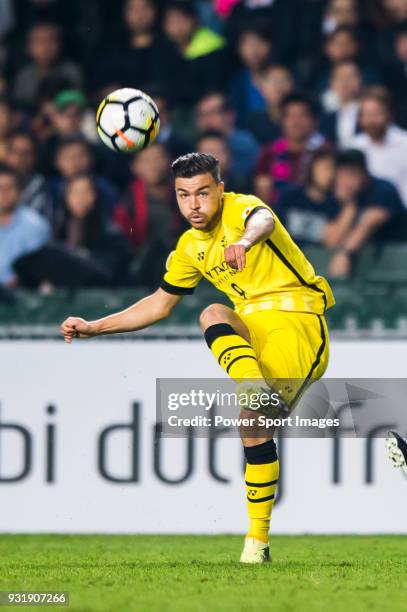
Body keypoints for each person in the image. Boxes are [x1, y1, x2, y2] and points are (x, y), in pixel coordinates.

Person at [60, 152, 335, 564]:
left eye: (203, 193)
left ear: (220, 191)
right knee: (210, 315)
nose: (194, 204)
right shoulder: (190, 248)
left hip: (297, 321)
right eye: (184, 195)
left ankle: (255, 540)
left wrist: (243, 241)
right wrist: (94, 327)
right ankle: (257, 546)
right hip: (253, 324)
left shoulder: (242, 209)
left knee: (253, 423)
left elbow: (265, 221)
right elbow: (157, 306)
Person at [328, 149, 407, 278]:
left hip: (398, 264)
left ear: (364, 174)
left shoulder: (383, 189)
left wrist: (345, 253)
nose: (346, 181)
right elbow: (332, 241)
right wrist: (349, 205)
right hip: (363, 271)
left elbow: (369, 224)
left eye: (352, 174)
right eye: (342, 174)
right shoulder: (339, 197)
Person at [114, 142, 182, 287]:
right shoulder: (128, 202)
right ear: (134, 167)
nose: (153, 165)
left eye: (158, 158)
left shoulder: (185, 193)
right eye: (146, 160)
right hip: (144, 270)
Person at [254, 93, 329, 204]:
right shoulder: (270, 152)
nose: (296, 122)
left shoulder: (325, 151)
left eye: (302, 115)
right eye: (290, 116)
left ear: (314, 120)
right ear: (282, 121)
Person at [349, 87, 407, 207]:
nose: (371, 121)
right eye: (367, 115)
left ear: (389, 115)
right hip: (364, 213)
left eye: (376, 114)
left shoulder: (405, 143)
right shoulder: (353, 146)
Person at [162, 0, 227, 104]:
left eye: (182, 19)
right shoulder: (163, 51)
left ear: (194, 19)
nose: (177, 26)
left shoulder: (213, 46)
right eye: (171, 22)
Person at [273, 151, 340, 247]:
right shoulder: (290, 196)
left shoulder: (335, 205)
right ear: (311, 167)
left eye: (334, 169)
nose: (330, 174)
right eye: (326, 168)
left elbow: (331, 243)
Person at [0, 163, 50, 288]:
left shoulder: (35, 224)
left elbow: (39, 268)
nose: (4, 194)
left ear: (20, 191)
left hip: (24, 295)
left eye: (9, 188)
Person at [12, 22, 82, 107]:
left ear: (60, 44)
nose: (45, 47)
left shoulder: (71, 72)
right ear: (28, 47)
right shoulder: (24, 75)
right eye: (39, 41)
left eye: (50, 40)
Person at [195, 92, 259, 179]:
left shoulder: (244, 145)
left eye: (212, 113)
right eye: (202, 115)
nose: (207, 120)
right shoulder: (195, 145)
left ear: (230, 115)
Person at [245, 64, 294, 145]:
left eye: (284, 80)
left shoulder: (303, 118)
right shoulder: (254, 122)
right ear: (261, 87)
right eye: (273, 81)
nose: (279, 87)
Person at [320, 61, 362, 146]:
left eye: (350, 76)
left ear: (360, 81)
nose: (345, 81)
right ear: (331, 84)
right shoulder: (326, 119)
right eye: (340, 77)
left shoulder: (367, 114)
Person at [7, 131, 48, 214]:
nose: (20, 157)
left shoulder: (43, 186)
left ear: (35, 157)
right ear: (7, 155)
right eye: (15, 151)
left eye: (26, 153)